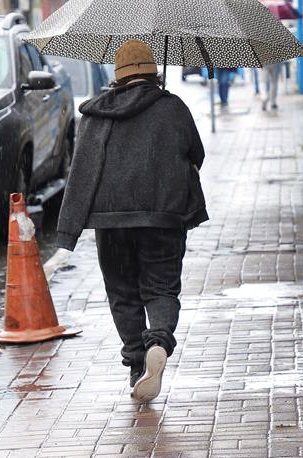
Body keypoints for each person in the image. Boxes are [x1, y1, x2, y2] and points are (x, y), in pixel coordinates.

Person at [56, 40, 208, 403]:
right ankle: (158, 341)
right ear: (153, 72)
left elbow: (81, 171)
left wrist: (68, 229)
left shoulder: (95, 114)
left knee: (123, 292)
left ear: (117, 76)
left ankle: (138, 364)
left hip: (111, 221)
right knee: (160, 289)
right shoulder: (172, 107)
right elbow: (196, 154)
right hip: (162, 217)